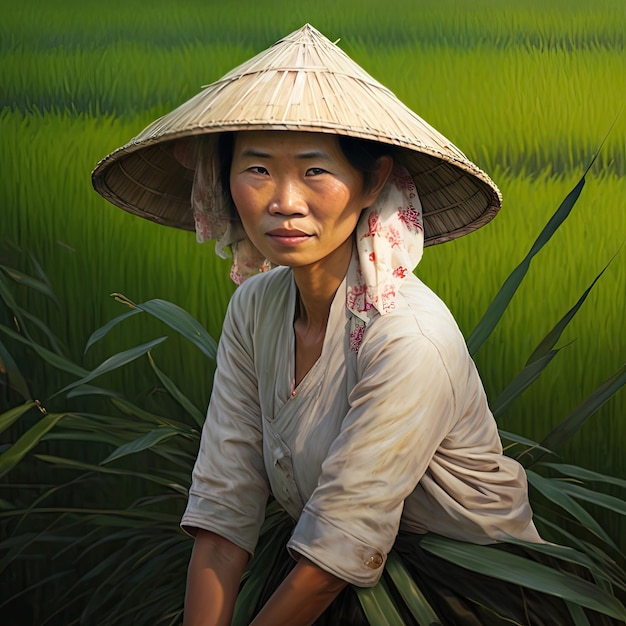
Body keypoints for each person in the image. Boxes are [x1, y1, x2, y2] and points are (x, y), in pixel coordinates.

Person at [92, 24, 616, 626]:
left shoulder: (407, 336)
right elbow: (225, 502)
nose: (284, 200)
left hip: (468, 589)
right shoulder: (254, 308)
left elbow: (334, 551)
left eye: (314, 171)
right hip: (329, 570)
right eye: (257, 169)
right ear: (223, 180)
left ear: (372, 182)